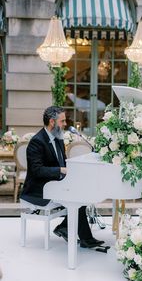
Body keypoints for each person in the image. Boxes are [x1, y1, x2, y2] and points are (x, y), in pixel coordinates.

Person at [20, 106, 104, 248]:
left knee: (82, 193)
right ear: (52, 122)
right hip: (38, 189)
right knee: (76, 196)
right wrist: (61, 170)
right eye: (62, 121)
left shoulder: (58, 138)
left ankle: (70, 231)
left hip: (55, 183)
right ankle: (82, 237)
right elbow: (37, 171)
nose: (65, 124)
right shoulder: (37, 141)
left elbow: (63, 163)